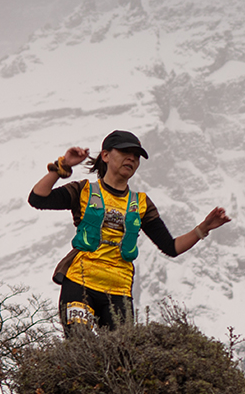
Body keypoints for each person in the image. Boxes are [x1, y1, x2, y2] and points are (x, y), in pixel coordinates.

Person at [28, 129, 230, 334]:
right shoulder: (84, 190)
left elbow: (171, 247)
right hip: (79, 283)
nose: (132, 158)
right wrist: (63, 166)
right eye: (125, 152)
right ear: (105, 155)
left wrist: (203, 228)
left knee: (121, 351)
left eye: (136, 156)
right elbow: (38, 198)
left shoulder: (141, 203)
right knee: (80, 341)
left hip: (119, 291)